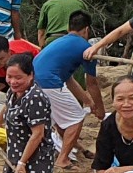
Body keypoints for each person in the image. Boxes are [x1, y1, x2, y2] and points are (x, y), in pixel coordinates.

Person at [29, 12, 97, 165]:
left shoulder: (61, 43)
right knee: (76, 118)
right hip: (48, 82)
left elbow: (70, 81)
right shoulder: (85, 47)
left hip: (34, 80)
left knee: (62, 120)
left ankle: (80, 149)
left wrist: (88, 102)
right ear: (87, 30)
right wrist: (99, 108)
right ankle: (63, 159)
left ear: (68, 28)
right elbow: (92, 83)